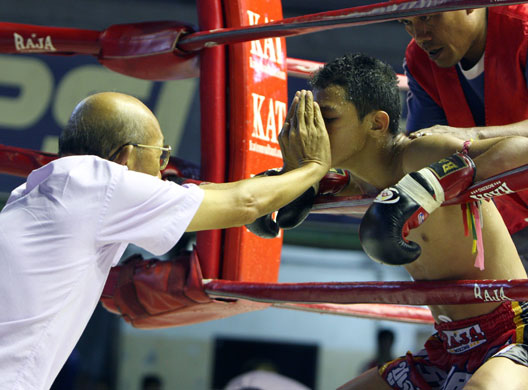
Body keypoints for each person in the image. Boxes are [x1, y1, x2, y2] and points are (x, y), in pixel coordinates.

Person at [0, 91, 330, 390]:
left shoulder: (41, 190)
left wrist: (272, 186)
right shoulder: (102, 185)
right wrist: (314, 168)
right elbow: (244, 203)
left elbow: (202, 196)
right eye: (160, 157)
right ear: (125, 157)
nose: (162, 171)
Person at [282, 53, 528, 389]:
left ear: (377, 123)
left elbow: (522, 150)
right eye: (310, 119)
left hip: (513, 332)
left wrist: (430, 183)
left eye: (328, 118)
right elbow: (254, 206)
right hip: (448, 348)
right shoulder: (349, 185)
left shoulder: (420, 153)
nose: (315, 131)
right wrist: (295, 174)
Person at [399, 4, 528, 261]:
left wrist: (471, 135)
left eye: (426, 16)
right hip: (501, 222)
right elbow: (422, 151)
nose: (420, 34)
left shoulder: (523, 30)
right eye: (406, 22)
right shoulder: (420, 60)